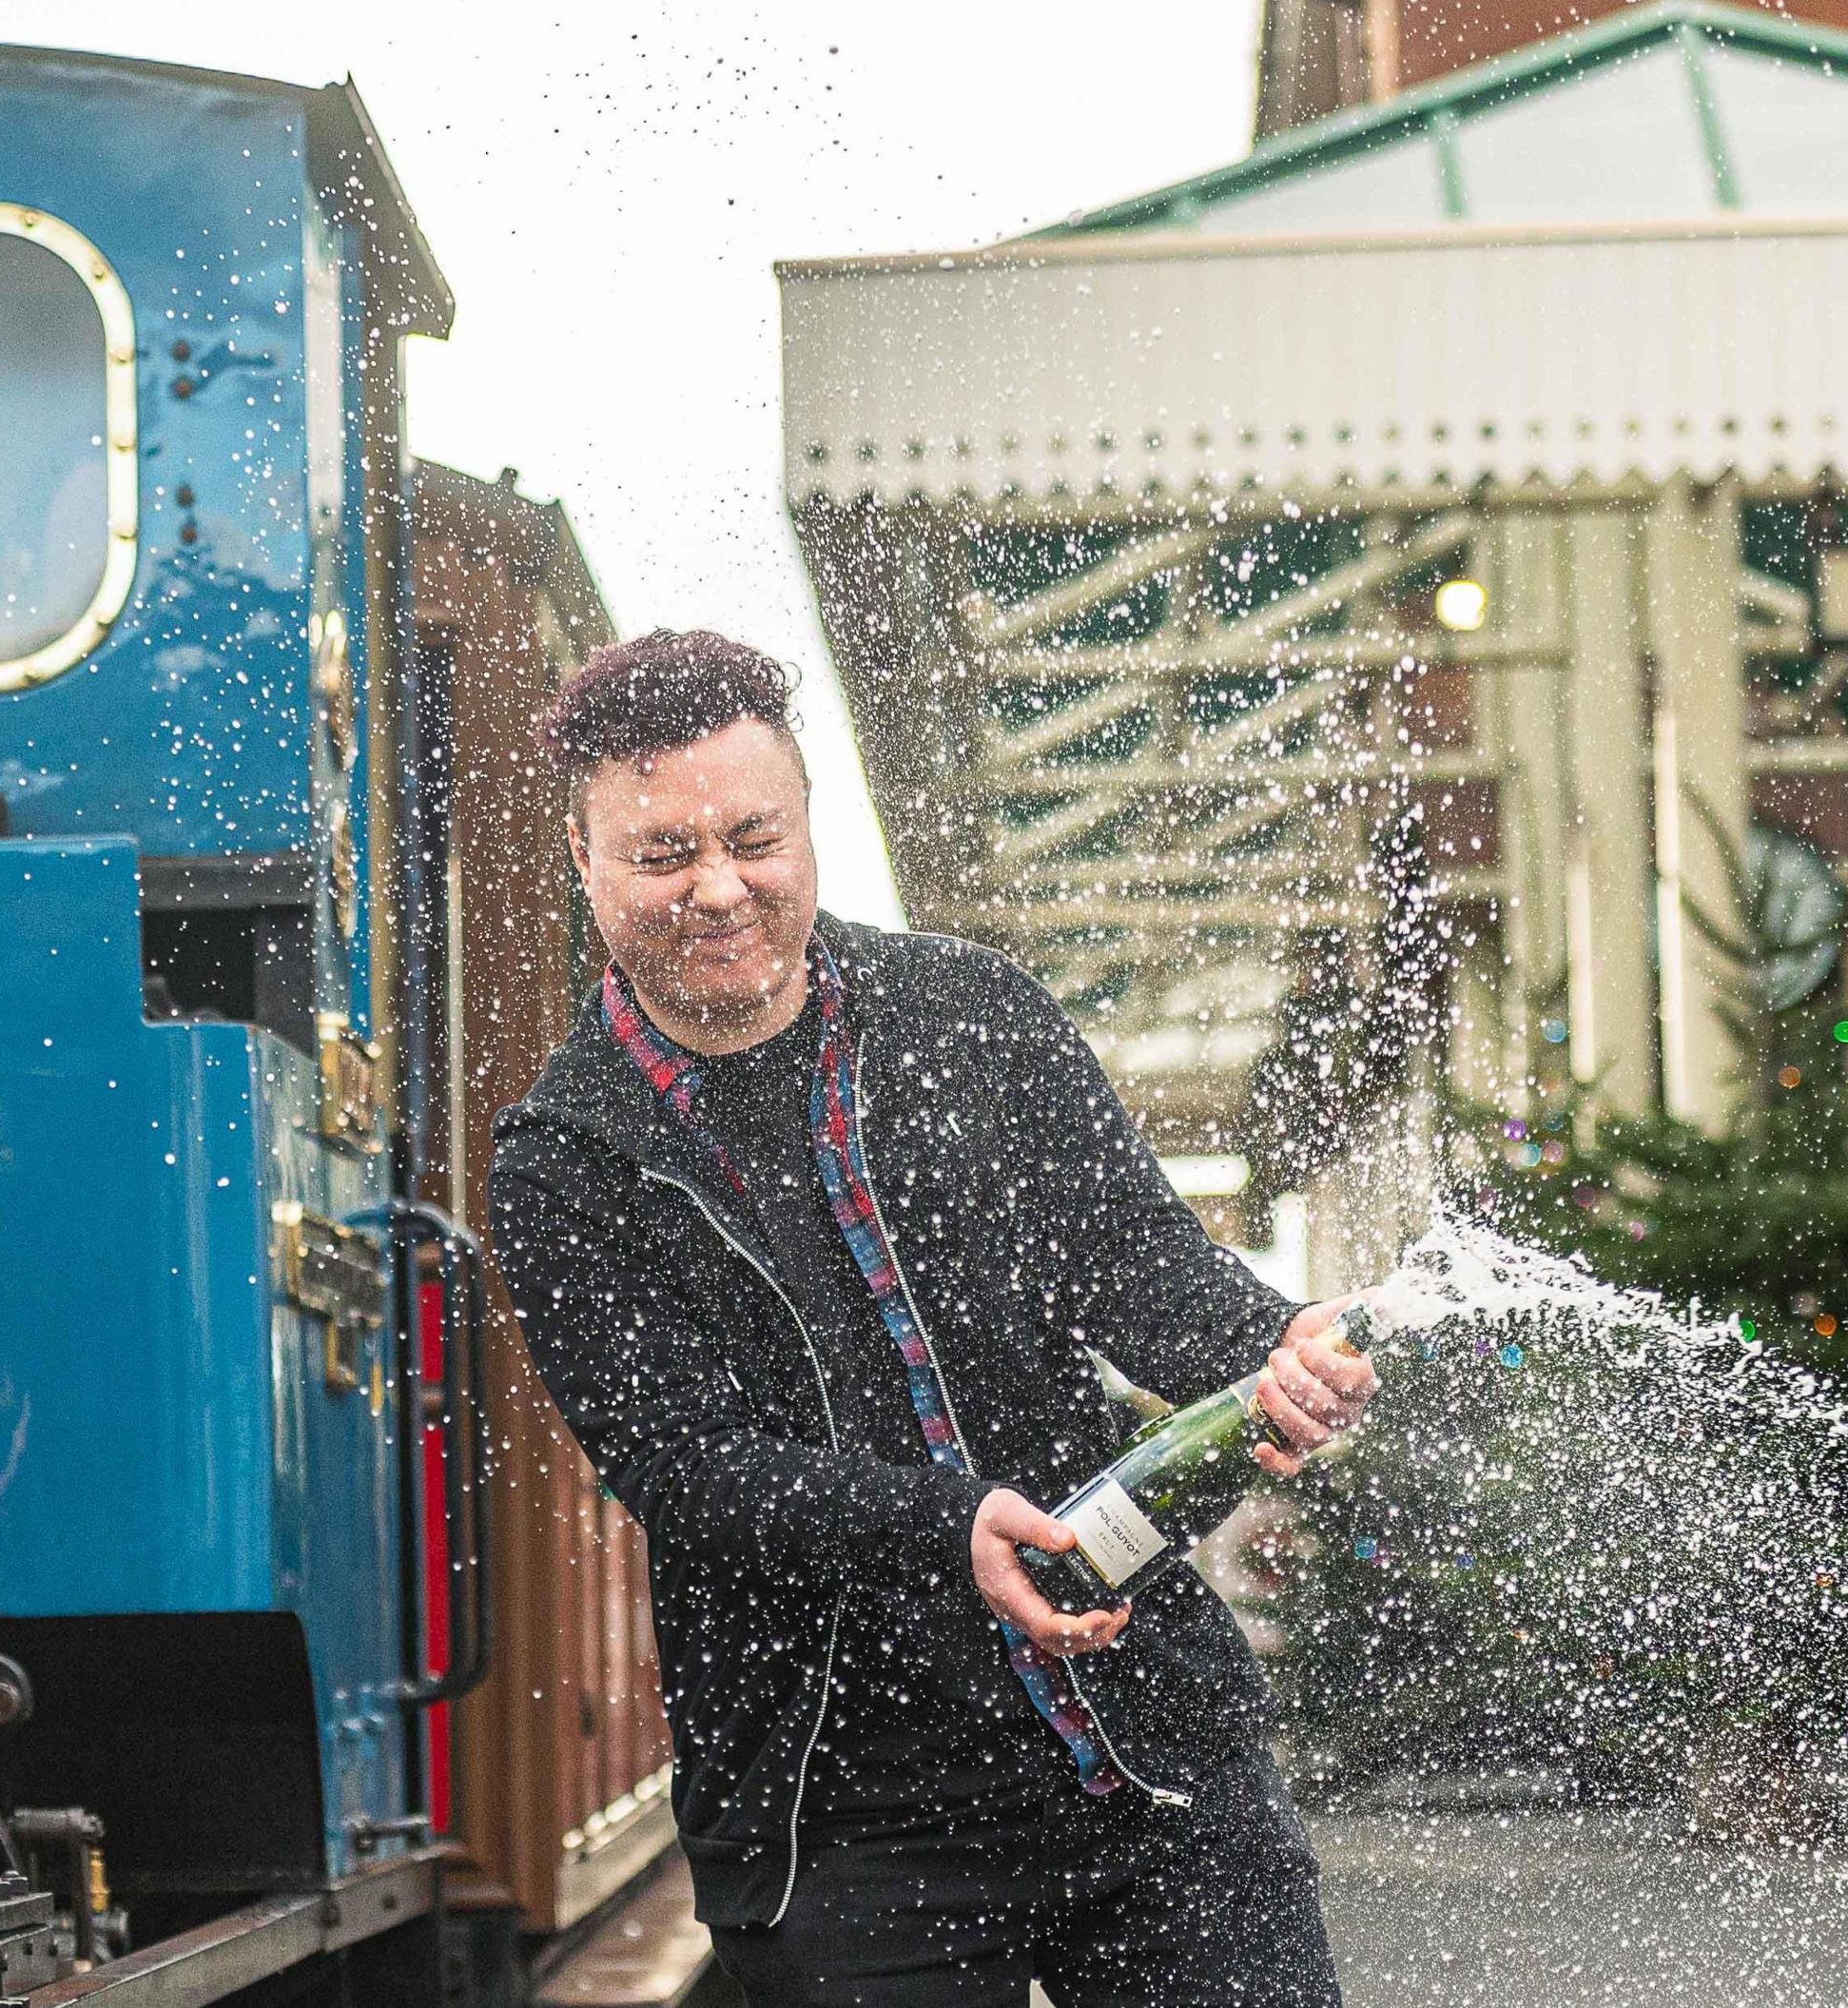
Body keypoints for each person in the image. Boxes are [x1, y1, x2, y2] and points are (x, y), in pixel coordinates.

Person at [488, 630, 1378, 2006]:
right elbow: (692, 1474)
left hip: (1145, 1746)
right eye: (665, 854)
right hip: (841, 1827)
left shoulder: (974, 1014)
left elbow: (1140, 1270)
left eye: (753, 837)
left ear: (805, 827)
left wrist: (1280, 1343)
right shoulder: (566, 1158)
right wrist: (945, 1526)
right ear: (582, 858)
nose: (719, 887)